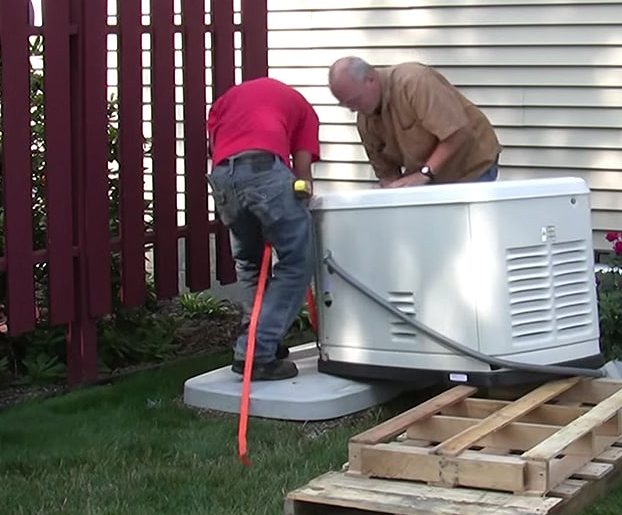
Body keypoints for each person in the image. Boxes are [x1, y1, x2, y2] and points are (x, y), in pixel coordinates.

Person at [205, 77, 320, 381]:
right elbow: (303, 176)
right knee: (298, 260)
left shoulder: (227, 99)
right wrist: (294, 202)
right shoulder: (304, 110)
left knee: (250, 263)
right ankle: (256, 353)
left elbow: (214, 146)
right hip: (265, 171)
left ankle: (259, 336)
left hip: (222, 177)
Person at [327, 56, 501, 187]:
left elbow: (458, 132)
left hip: (470, 167)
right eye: (346, 105)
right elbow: (388, 175)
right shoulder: (365, 120)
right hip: (431, 180)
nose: (352, 109)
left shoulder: (414, 82)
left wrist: (424, 173)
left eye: (354, 100)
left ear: (371, 79)